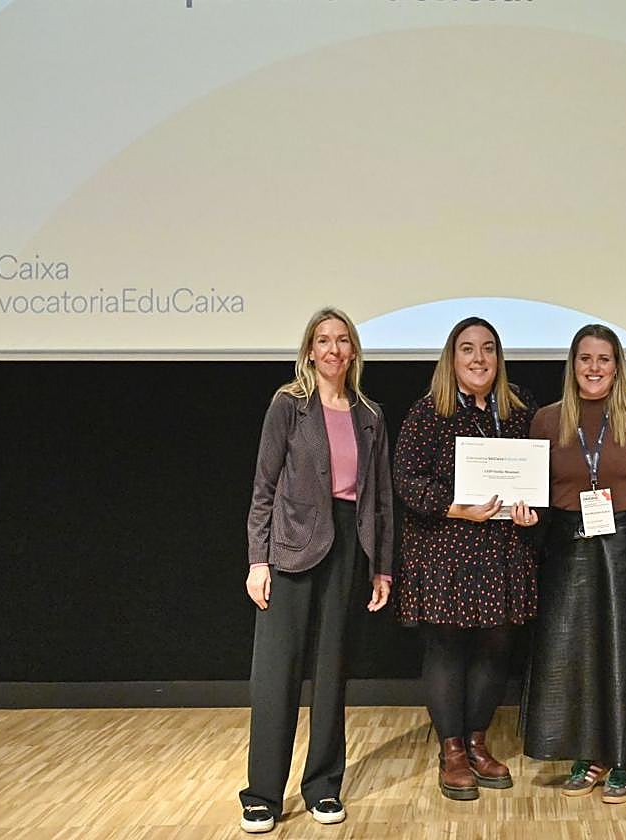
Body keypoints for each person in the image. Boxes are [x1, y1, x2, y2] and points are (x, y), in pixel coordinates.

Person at [238, 308, 394, 834]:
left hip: (350, 545)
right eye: (323, 340)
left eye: (342, 340)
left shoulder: (370, 414)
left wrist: (382, 568)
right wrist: (258, 560)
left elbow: (382, 501)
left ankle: (324, 787)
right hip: (292, 547)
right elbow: (263, 488)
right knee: (277, 673)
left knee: (332, 673)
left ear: (353, 352)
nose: (332, 349)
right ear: (309, 351)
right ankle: (263, 794)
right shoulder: (288, 406)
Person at [521, 324, 626, 804]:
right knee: (575, 654)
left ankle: (623, 760)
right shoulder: (547, 419)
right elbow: (537, 488)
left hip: (623, 544)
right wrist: (525, 512)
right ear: (572, 364)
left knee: (622, 651)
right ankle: (585, 755)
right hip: (566, 546)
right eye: (585, 358)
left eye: (603, 359)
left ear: (617, 365)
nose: (593, 368)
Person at [393, 316, 539, 801]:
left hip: (502, 551)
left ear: (499, 357)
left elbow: (535, 479)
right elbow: (407, 480)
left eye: (488, 349)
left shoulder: (518, 411)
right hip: (446, 549)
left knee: (496, 647)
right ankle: (451, 750)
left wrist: (528, 513)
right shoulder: (428, 412)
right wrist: (457, 508)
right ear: (450, 359)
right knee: (449, 649)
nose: (479, 359)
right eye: (468, 349)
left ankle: (478, 742)